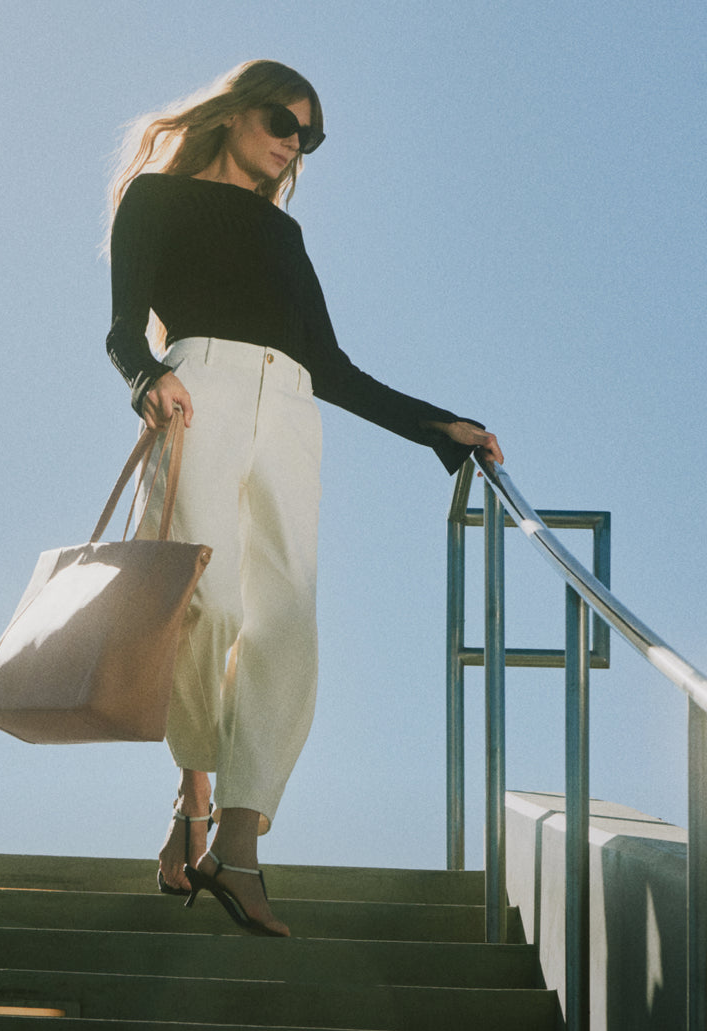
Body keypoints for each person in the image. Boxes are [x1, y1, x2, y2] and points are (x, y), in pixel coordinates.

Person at [105, 60, 502, 937]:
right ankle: (196, 792)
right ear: (236, 113)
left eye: (308, 136)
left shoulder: (283, 237)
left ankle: (239, 846)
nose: (293, 143)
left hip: (290, 411)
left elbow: (335, 369)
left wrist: (441, 426)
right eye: (284, 121)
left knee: (285, 621)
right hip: (195, 390)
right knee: (199, 599)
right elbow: (123, 325)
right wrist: (147, 381)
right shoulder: (154, 200)